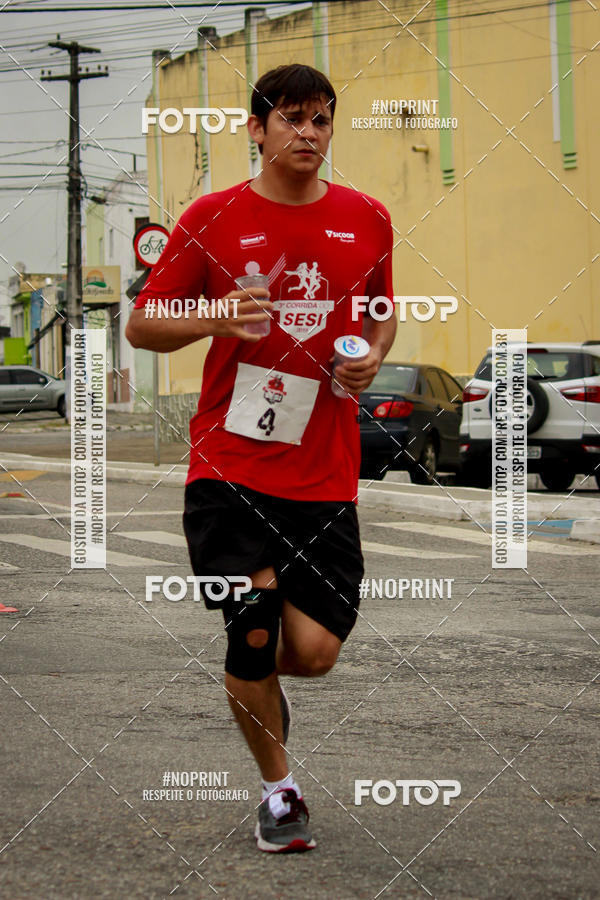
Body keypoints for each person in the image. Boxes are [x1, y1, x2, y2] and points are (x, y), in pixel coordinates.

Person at [126, 63, 396, 853]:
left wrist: (371, 357)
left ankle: (259, 686)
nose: (308, 133)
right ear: (257, 129)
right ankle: (280, 793)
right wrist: (214, 316)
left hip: (323, 473)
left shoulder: (368, 219)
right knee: (250, 627)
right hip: (229, 467)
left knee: (311, 655)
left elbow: (381, 315)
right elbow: (145, 326)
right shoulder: (212, 217)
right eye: (290, 118)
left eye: (321, 119)